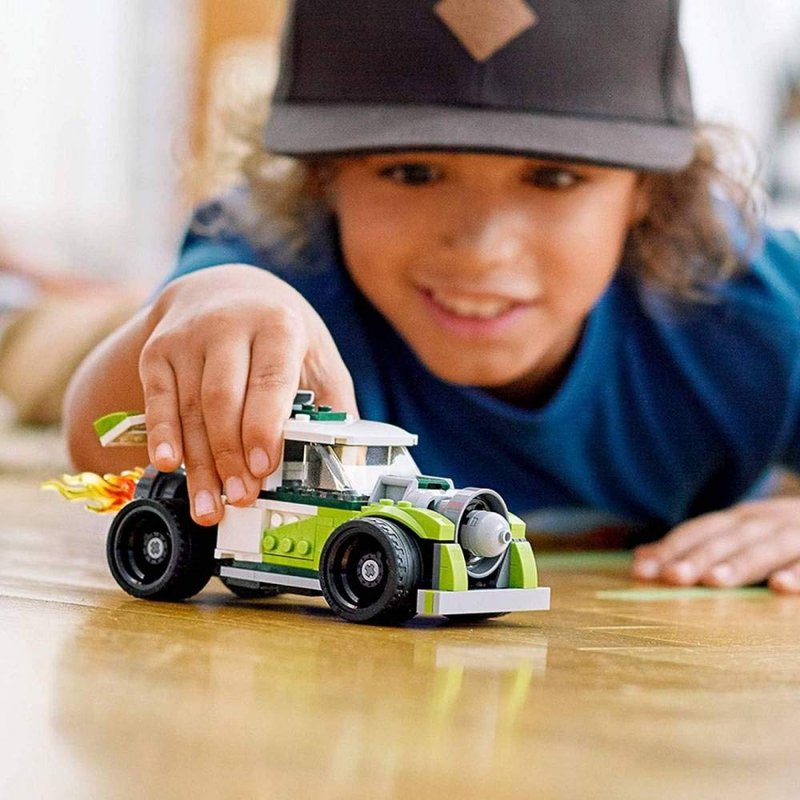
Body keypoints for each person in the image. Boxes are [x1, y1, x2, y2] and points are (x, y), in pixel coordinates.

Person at [64, 0, 800, 593]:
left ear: (649, 194)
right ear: (323, 179)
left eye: (554, 178)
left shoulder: (745, 303)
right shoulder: (271, 270)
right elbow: (102, 450)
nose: (480, 247)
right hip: (90, 335)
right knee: (60, 336)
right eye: (412, 173)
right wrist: (202, 306)